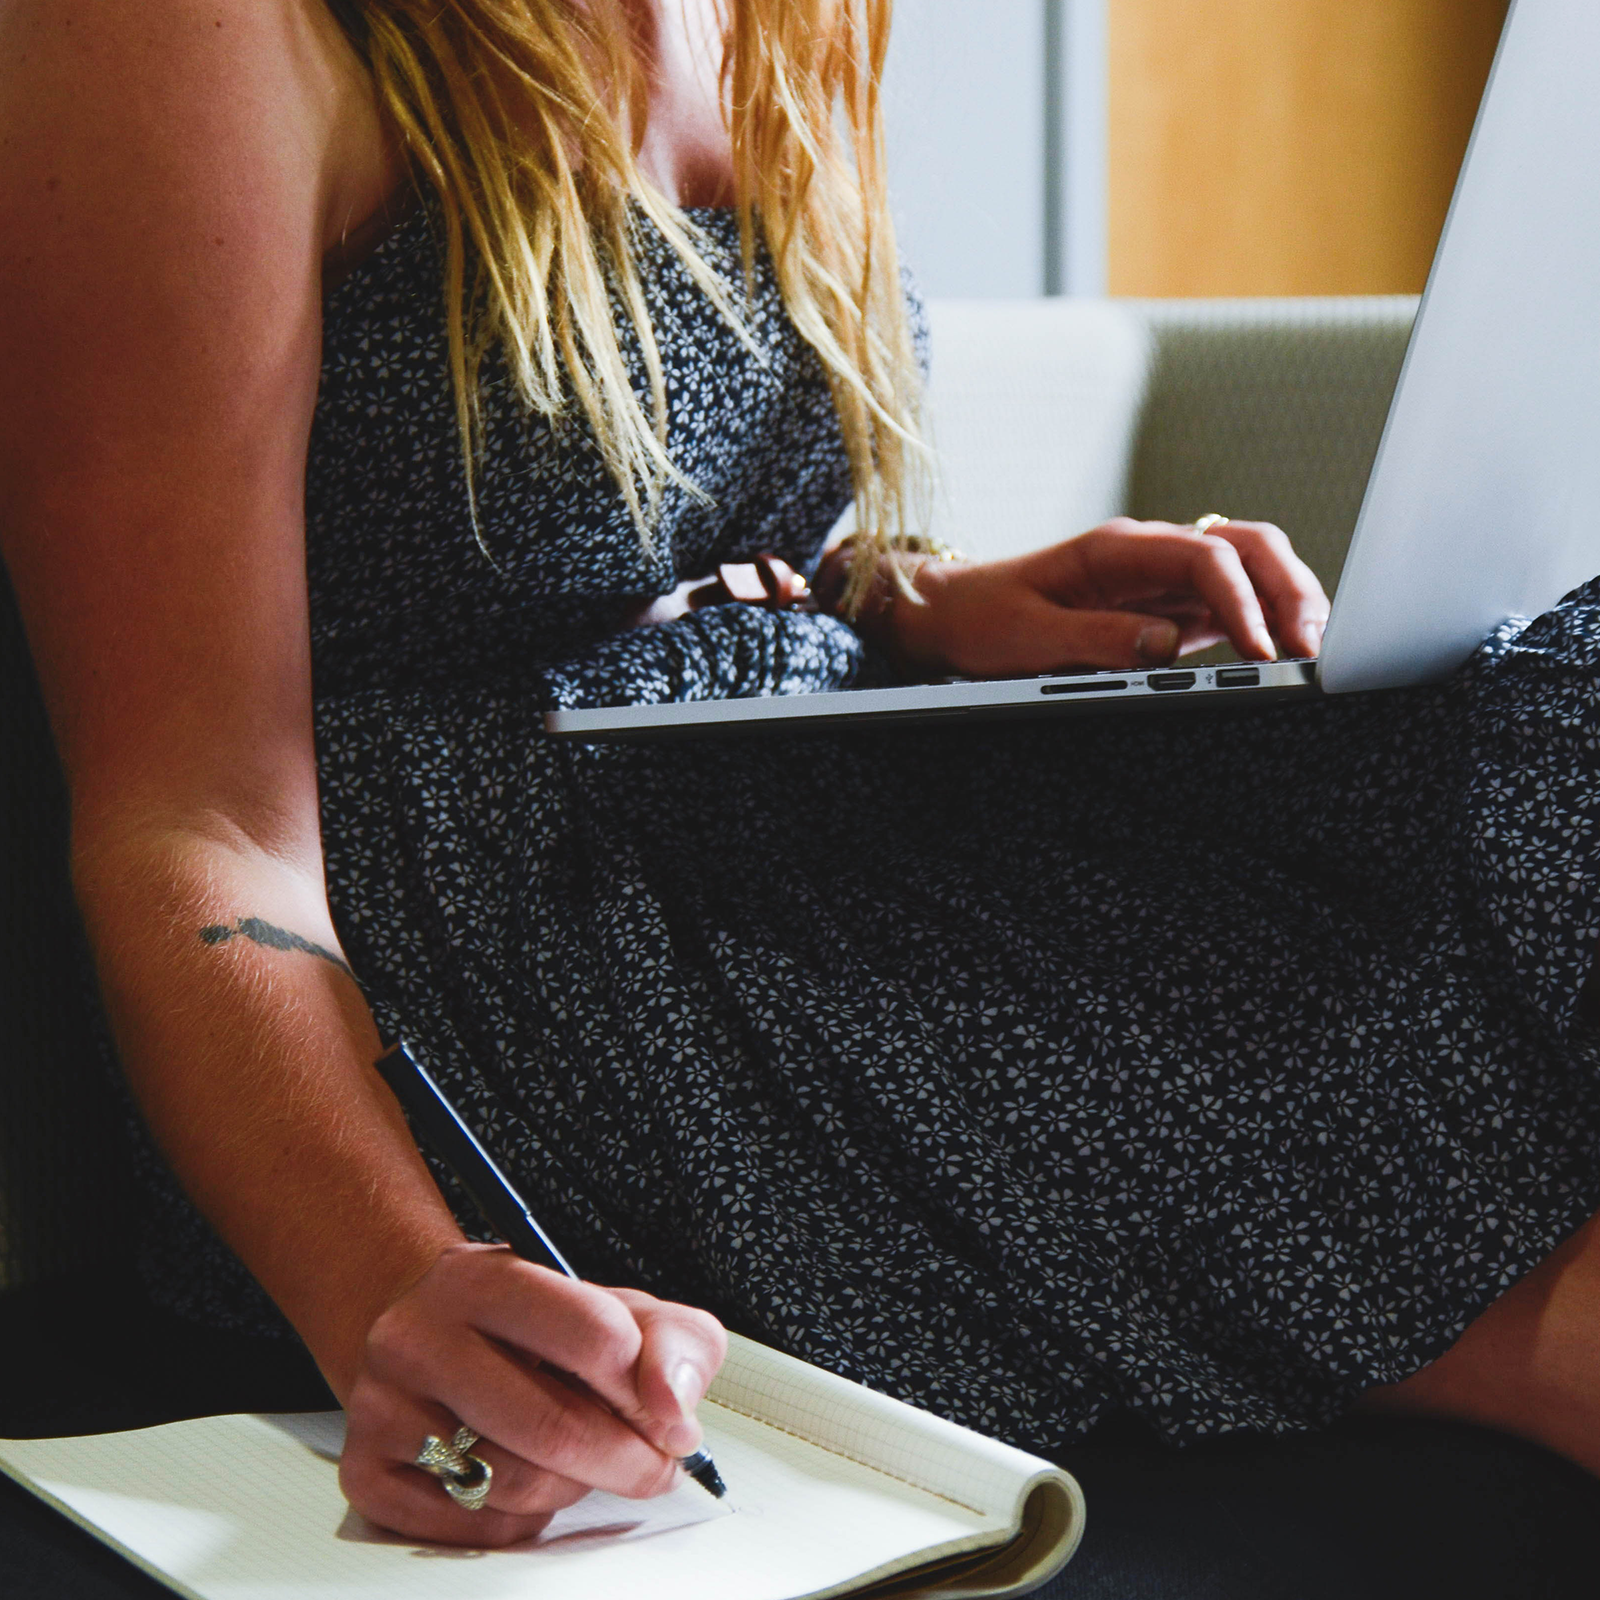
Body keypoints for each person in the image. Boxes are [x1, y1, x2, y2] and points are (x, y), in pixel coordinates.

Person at [3, 0, 1600, 1552]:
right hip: (488, 947)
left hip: (767, 788)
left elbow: (613, 527)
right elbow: (194, 821)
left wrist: (905, 602)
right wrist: (389, 1286)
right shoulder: (181, 32)